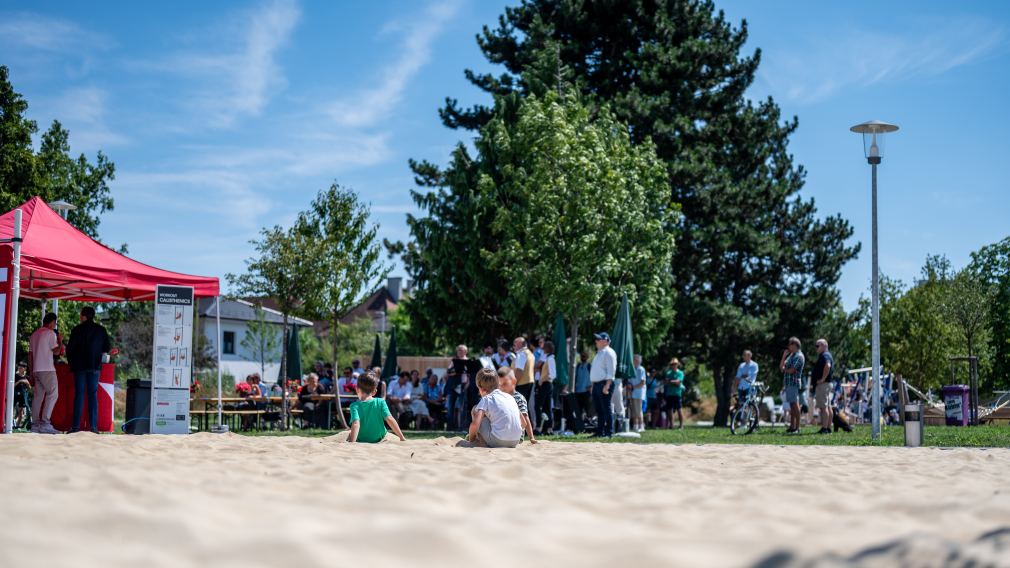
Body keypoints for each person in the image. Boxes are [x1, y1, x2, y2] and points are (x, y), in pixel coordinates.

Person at [67, 306, 112, 433]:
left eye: (81, 314)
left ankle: (75, 427)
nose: (80, 316)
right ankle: (93, 427)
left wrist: (72, 363)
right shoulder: (101, 330)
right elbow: (106, 348)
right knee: (93, 396)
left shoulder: (76, 330)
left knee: (79, 395)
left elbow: (70, 349)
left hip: (79, 367)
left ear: (84, 316)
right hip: (94, 366)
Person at [467, 368, 522, 448]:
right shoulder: (510, 397)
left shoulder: (486, 399)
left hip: (497, 441)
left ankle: (478, 440)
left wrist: (471, 439)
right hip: (515, 441)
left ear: (481, 388)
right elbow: (523, 423)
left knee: (475, 410)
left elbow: (475, 424)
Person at [28, 312, 63, 434]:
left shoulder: (34, 334)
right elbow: (57, 352)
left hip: (36, 369)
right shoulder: (50, 333)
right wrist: (60, 340)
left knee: (38, 397)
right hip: (47, 369)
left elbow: (30, 355)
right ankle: (45, 422)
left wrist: (31, 371)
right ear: (52, 322)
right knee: (53, 394)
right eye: (55, 323)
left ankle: (35, 424)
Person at [347, 373, 405, 443]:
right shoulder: (380, 402)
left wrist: (352, 442)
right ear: (374, 391)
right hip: (380, 438)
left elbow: (356, 424)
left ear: (357, 389)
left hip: (362, 439)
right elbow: (390, 419)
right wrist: (402, 437)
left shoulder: (354, 405)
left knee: (349, 433)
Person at [497, 367, 537, 443]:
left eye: (505, 384)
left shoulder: (519, 398)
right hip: (503, 433)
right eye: (499, 385)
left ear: (514, 382)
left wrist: (531, 437)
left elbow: (525, 418)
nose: (501, 387)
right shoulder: (500, 397)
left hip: (516, 437)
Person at [590, 332, 616, 438]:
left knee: (606, 409)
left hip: (604, 384)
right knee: (599, 410)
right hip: (597, 384)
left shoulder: (609, 352)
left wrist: (607, 385)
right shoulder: (600, 353)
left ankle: (609, 432)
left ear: (605, 341)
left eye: (598, 339)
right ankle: (600, 431)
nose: (596, 341)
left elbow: (611, 370)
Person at [779, 337, 805, 434]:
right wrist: (784, 356)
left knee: (795, 404)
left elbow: (792, 370)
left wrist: (785, 369)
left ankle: (797, 427)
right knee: (791, 405)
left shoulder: (799, 356)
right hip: (788, 383)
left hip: (793, 383)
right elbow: (781, 367)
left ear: (795, 345)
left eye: (790, 344)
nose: (788, 346)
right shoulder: (791, 355)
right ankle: (792, 426)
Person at [812, 339, 834, 435]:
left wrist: (822, 379)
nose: (816, 348)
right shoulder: (826, 355)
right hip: (827, 384)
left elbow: (828, 366)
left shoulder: (825, 355)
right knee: (828, 406)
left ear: (824, 346)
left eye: (818, 346)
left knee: (823, 407)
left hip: (823, 384)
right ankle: (828, 428)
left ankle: (825, 428)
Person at [535, 340, 557, 435]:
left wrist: (541, 380)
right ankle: (548, 428)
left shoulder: (550, 359)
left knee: (538, 406)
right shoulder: (548, 358)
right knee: (547, 407)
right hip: (547, 385)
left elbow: (553, 375)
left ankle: (539, 427)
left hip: (546, 384)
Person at [511, 337, 536, 417]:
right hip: (530, 382)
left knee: (519, 408)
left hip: (521, 383)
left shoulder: (521, 354)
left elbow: (519, 371)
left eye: (514, 344)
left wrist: (513, 384)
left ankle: (522, 428)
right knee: (527, 406)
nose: (513, 346)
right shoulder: (530, 353)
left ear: (519, 344)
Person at [571, 350, 593, 434]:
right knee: (578, 411)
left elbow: (593, 376)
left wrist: (591, 386)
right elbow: (575, 377)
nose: (583, 357)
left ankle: (589, 426)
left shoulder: (589, 366)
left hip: (586, 391)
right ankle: (579, 427)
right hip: (578, 391)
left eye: (584, 356)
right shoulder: (578, 366)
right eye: (582, 356)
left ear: (587, 357)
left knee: (588, 410)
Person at [663, 358, 685, 429]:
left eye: (675, 364)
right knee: (669, 410)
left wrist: (670, 381)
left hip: (677, 393)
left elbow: (678, 382)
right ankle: (671, 425)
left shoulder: (680, 373)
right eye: (672, 364)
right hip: (669, 393)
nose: (673, 365)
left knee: (679, 409)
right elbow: (666, 382)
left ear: (677, 365)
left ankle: (681, 425)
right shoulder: (668, 373)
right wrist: (673, 382)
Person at [628, 354, 646, 433]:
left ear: (638, 361)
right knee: (634, 410)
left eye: (634, 359)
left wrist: (633, 387)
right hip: (632, 392)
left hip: (639, 392)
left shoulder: (641, 369)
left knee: (639, 410)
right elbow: (630, 381)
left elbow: (643, 382)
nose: (633, 361)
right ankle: (635, 426)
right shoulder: (632, 369)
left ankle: (641, 426)